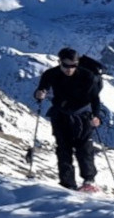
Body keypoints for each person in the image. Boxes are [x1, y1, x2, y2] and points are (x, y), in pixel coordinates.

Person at [32, 47, 104, 192]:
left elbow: (95, 99)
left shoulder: (87, 76)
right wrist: (39, 94)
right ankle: (67, 184)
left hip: (82, 116)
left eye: (73, 65)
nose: (70, 69)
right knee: (63, 149)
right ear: (59, 62)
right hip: (60, 115)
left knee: (84, 149)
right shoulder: (50, 74)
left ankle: (89, 181)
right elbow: (41, 89)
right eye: (66, 65)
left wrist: (96, 116)